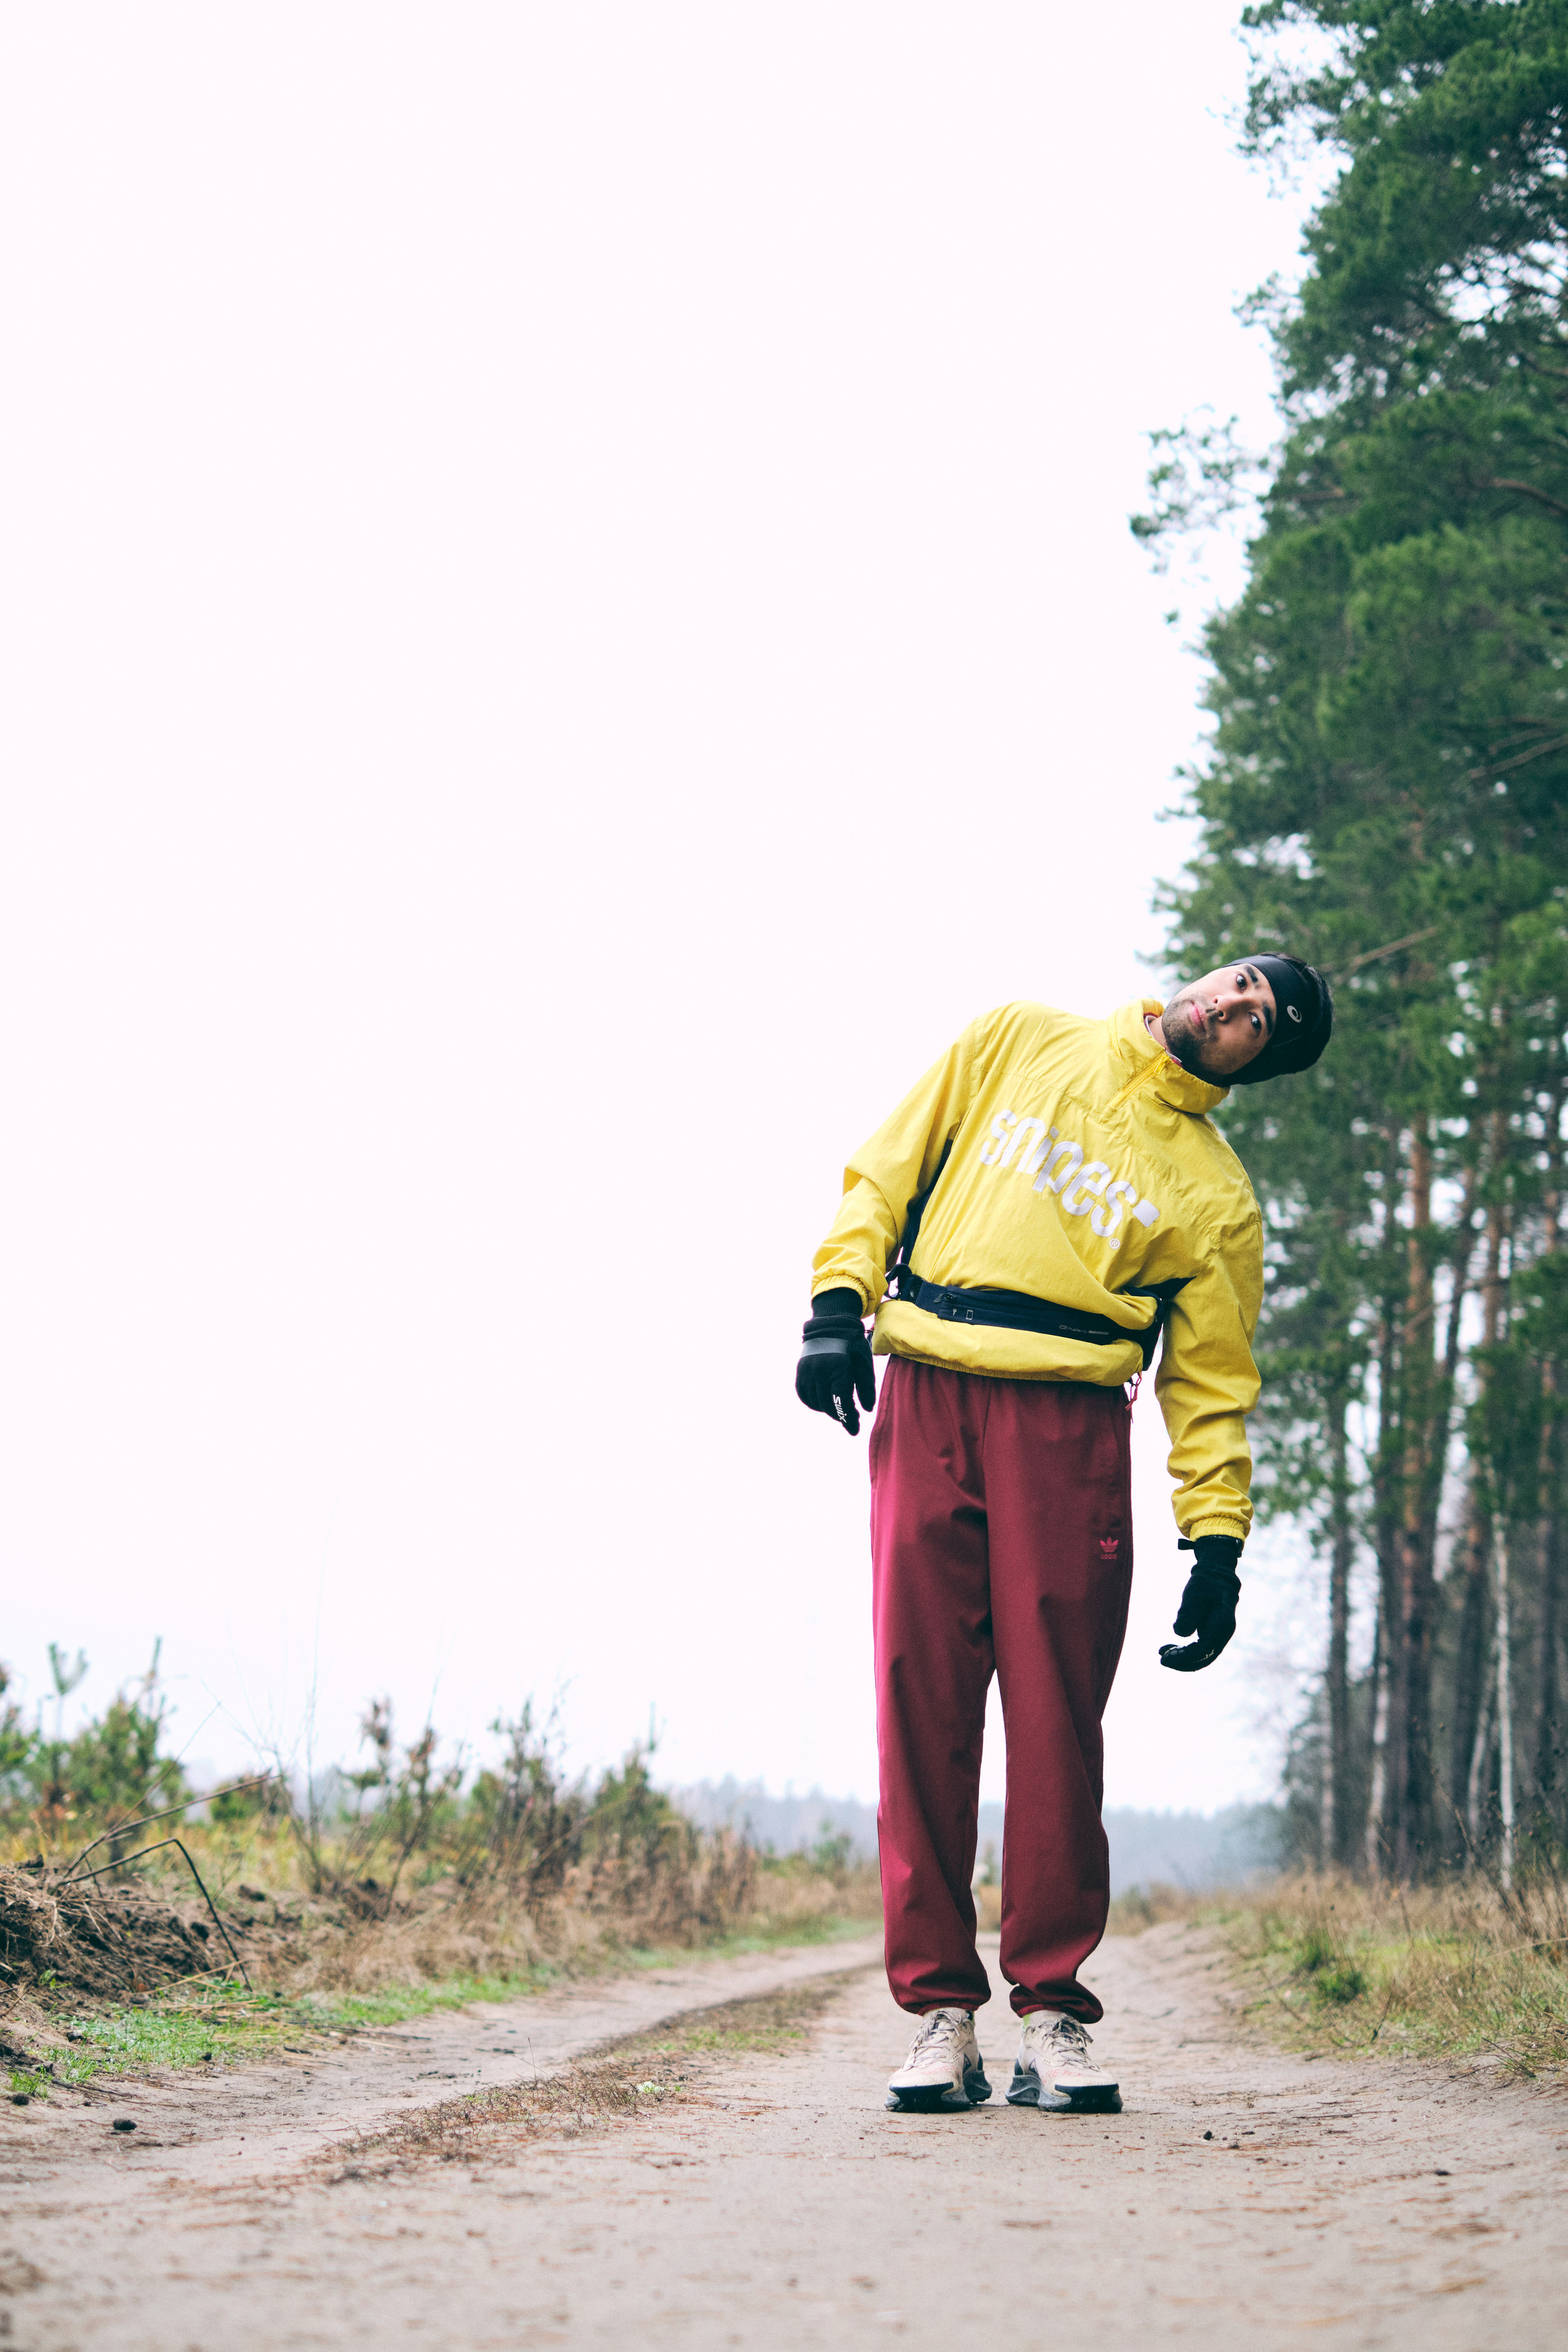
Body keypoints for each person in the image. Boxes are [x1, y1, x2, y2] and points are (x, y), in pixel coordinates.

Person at [796, 959, 1333, 2116]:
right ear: (1207, 975)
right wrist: (836, 1305)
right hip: (929, 1385)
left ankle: (1050, 2012)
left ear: (1255, 1067)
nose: (1234, 1009)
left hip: (1072, 1421)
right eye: (1241, 986)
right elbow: (887, 1169)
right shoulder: (1018, 1038)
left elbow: (1212, 1387)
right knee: (920, 1699)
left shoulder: (1218, 1197)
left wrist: (1219, 1540)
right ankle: (941, 2013)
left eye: (1257, 1026)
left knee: (1054, 1715)